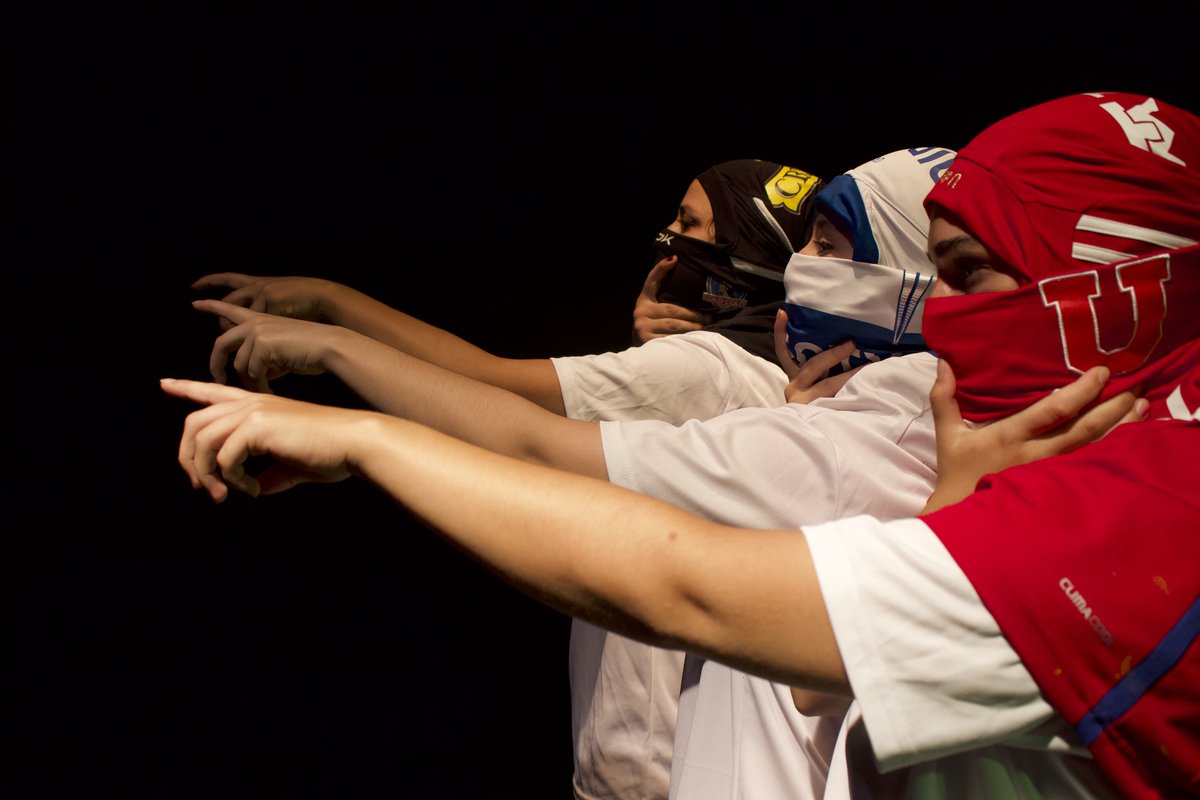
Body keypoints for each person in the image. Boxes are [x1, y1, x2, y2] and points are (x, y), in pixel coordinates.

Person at [164, 90, 1198, 798]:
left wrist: (352, 391)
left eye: (835, 245)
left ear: (1119, 283)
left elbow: (664, 563)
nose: (673, 248)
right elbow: (825, 680)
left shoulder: (916, 420)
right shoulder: (952, 420)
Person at [187, 147, 953, 800]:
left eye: (692, 226)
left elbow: (515, 424)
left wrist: (334, 339)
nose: (799, 269)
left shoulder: (730, 379)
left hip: (651, 766)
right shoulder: (845, 408)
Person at [192, 158, 826, 425]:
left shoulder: (709, 371)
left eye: (688, 224)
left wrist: (329, 309)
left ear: (746, 260)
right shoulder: (786, 374)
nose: (667, 238)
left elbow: (487, 387)